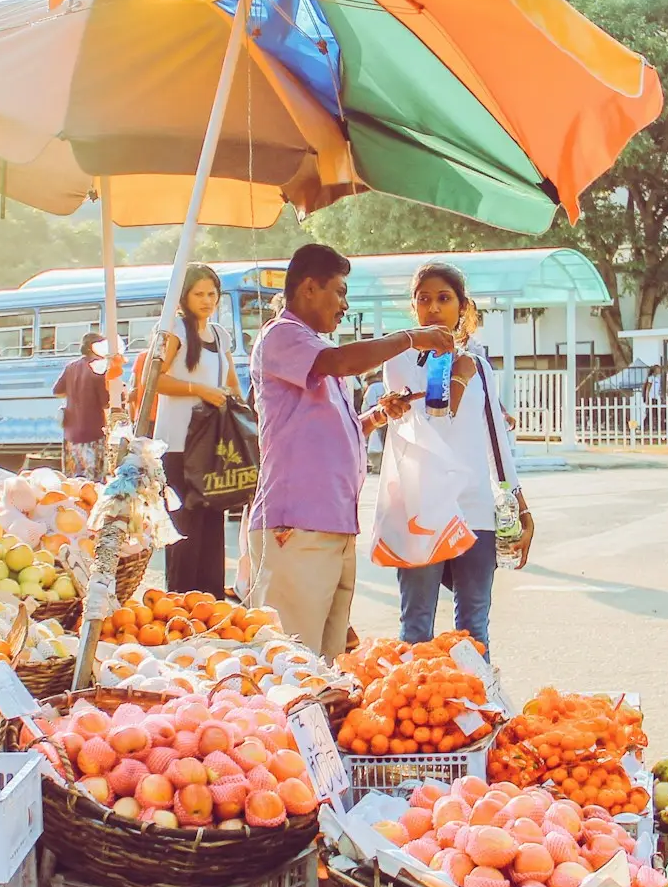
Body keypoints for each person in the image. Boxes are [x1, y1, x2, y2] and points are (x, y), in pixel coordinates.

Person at [245, 245, 454, 658]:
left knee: (326, 663)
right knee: (292, 662)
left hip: (331, 524)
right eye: (339, 292)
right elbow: (341, 363)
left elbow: (330, 431)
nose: (344, 305)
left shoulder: (313, 347)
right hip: (297, 526)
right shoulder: (282, 335)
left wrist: (376, 416)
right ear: (309, 288)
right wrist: (411, 337)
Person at [380, 261, 534, 650]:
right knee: (416, 627)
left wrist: (519, 502)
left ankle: (476, 707)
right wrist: (457, 377)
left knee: (473, 628)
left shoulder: (478, 364)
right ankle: (415, 705)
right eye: (424, 299)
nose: (433, 308)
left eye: (444, 299)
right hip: (421, 508)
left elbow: (495, 438)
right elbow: (432, 420)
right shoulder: (399, 360)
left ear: (462, 307)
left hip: (475, 508)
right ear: (413, 307)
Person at [152, 264, 244, 599]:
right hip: (177, 446)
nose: (207, 300)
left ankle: (210, 602)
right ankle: (179, 602)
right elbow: (155, 382)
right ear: (184, 298)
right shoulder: (173, 332)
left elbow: (232, 382)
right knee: (184, 528)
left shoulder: (220, 335)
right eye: (199, 294)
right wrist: (199, 390)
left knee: (212, 527)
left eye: (211, 293)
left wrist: (244, 416)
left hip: (214, 445)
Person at [53, 333, 108, 479]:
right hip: (93, 432)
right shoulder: (99, 368)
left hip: (71, 434)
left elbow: (57, 391)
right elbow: (106, 402)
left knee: (73, 482)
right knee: (93, 483)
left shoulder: (71, 366)